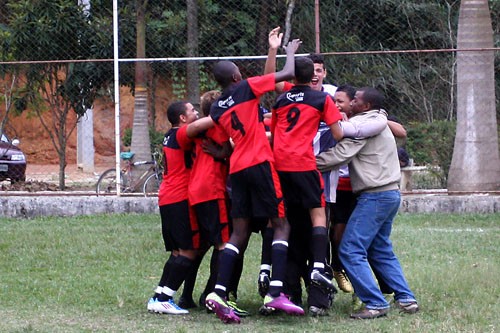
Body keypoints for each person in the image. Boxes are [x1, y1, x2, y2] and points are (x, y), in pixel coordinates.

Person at [203, 34, 305, 324]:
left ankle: (218, 292)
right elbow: (285, 74)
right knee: (281, 224)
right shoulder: (247, 87)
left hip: (237, 169)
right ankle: (275, 291)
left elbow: (225, 146)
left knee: (239, 232)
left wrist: (218, 150)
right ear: (236, 75)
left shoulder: (216, 108)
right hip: (260, 163)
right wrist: (290, 51)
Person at [316, 87, 419, 319]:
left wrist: (305, 162)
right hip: (390, 193)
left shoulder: (364, 125)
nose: (351, 102)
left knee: (350, 249)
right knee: (380, 249)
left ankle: (375, 303)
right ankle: (406, 298)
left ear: (365, 106)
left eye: (355, 100)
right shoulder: (372, 120)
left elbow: (340, 155)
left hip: (375, 196)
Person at [269, 55, 343, 316]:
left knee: (285, 225)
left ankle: (283, 289)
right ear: (314, 74)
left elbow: (276, 133)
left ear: (291, 77)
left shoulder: (280, 99)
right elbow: (338, 134)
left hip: (280, 167)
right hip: (303, 165)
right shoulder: (322, 99)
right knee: (318, 215)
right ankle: (318, 267)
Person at [147, 101, 199, 315]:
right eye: (192, 111)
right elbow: (207, 124)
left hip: (167, 197)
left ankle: (158, 294)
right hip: (178, 198)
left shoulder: (170, 134)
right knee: (188, 251)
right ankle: (165, 297)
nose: (196, 113)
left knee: (177, 252)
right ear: (183, 119)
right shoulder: (181, 133)